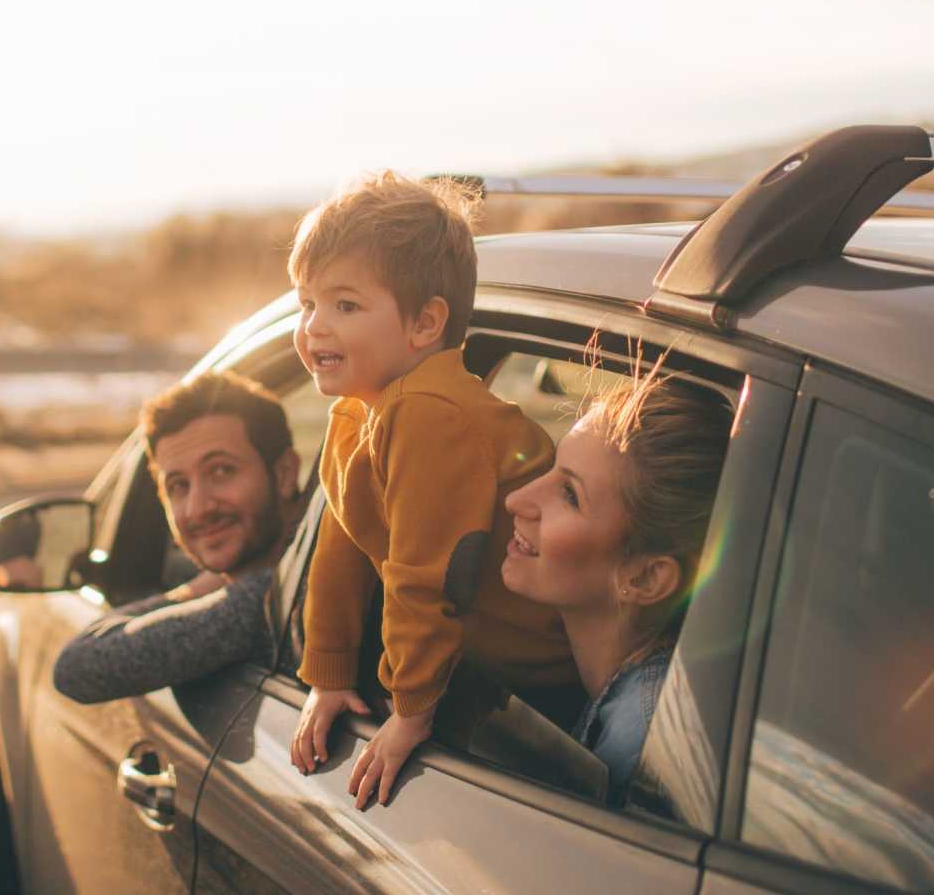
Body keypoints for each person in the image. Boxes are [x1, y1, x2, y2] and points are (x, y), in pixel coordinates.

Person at [286, 172, 577, 809]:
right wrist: (329, 674)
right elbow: (343, 551)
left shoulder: (428, 414)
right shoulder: (362, 413)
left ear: (424, 323)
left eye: (345, 305)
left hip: (545, 682)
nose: (314, 328)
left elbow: (425, 575)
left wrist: (410, 711)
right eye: (306, 303)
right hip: (488, 673)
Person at [500, 367, 732, 807]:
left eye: (569, 494)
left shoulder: (640, 748)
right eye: (551, 468)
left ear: (644, 578)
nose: (518, 500)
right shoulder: (650, 700)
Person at [51, 371, 304, 704]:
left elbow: (77, 667)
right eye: (178, 486)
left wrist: (200, 589)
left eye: (222, 471)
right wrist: (210, 584)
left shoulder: (275, 601)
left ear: (284, 473)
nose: (198, 508)